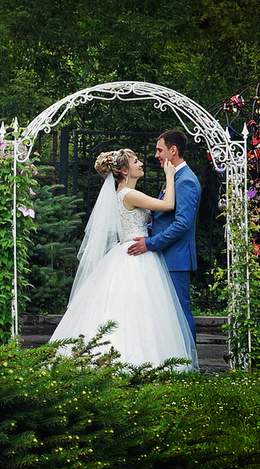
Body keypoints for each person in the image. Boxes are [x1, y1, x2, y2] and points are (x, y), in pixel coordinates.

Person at [49, 148, 198, 369]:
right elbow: (168, 205)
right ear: (125, 171)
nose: (141, 164)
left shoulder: (123, 194)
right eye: (135, 161)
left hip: (130, 250)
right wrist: (169, 176)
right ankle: (136, 359)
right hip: (136, 254)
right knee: (138, 307)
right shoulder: (129, 194)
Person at [127, 130, 201, 340]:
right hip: (166, 255)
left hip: (176, 258)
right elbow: (165, 218)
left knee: (179, 312)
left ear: (173, 150)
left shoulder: (186, 181)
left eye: (160, 150)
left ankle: (188, 356)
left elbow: (182, 224)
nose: (156, 155)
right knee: (166, 313)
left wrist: (150, 243)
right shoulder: (175, 177)